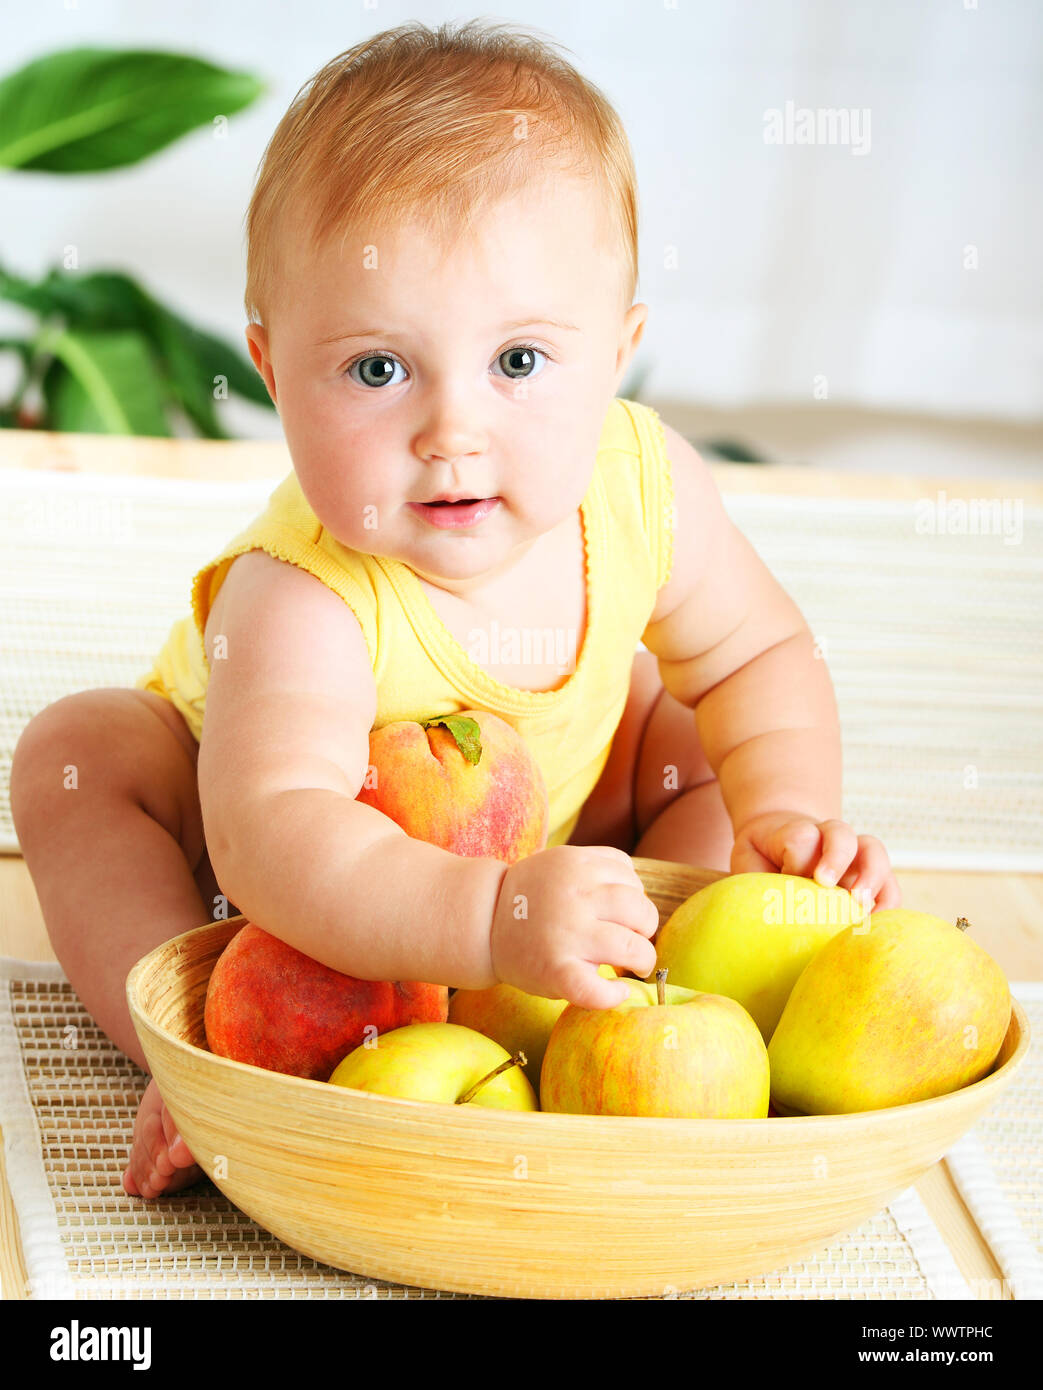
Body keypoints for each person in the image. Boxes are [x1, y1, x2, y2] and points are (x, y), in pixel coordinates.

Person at [10, 19, 900, 1201]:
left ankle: (661, 976)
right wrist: (483, 918)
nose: (451, 431)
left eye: (520, 363)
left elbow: (756, 652)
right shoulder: (304, 594)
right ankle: (187, 1054)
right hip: (284, 888)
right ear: (274, 374)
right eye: (378, 370)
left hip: (554, 828)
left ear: (617, 355)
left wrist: (788, 819)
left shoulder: (641, 485)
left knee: (695, 738)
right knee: (79, 754)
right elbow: (276, 835)